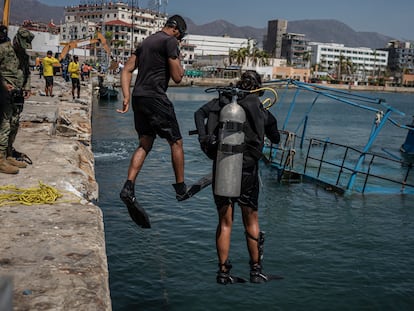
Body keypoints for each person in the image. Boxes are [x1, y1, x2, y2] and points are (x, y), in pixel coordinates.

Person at [194, 70, 281, 284]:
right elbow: (276, 138)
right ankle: (256, 271)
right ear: (259, 88)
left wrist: (204, 139)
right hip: (247, 172)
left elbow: (198, 114)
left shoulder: (223, 101)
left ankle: (223, 273)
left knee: (225, 222)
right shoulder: (259, 108)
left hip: (223, 166)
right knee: (251, 220)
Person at [117, 14, 189, 205]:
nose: (179, 40)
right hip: (155, 97)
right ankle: (181, 188)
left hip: (138, 97)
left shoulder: (146, 42)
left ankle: (128, 186)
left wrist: (125, 96)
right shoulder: (169, 42)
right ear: (176, 30)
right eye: (180, 37)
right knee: (176, 142)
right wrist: (179, 61)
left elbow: (126, 70)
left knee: (145, 143)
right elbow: (177, 78)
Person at [0, 26, 34, 174]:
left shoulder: (24, 56)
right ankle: (0, 159)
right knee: (4, 125)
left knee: (14, 124)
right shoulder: (3, 50)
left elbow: (27, 72)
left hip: (18, 95)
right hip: (3, 94)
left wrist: (27, 87)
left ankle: (8, 154)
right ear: (15, 40)